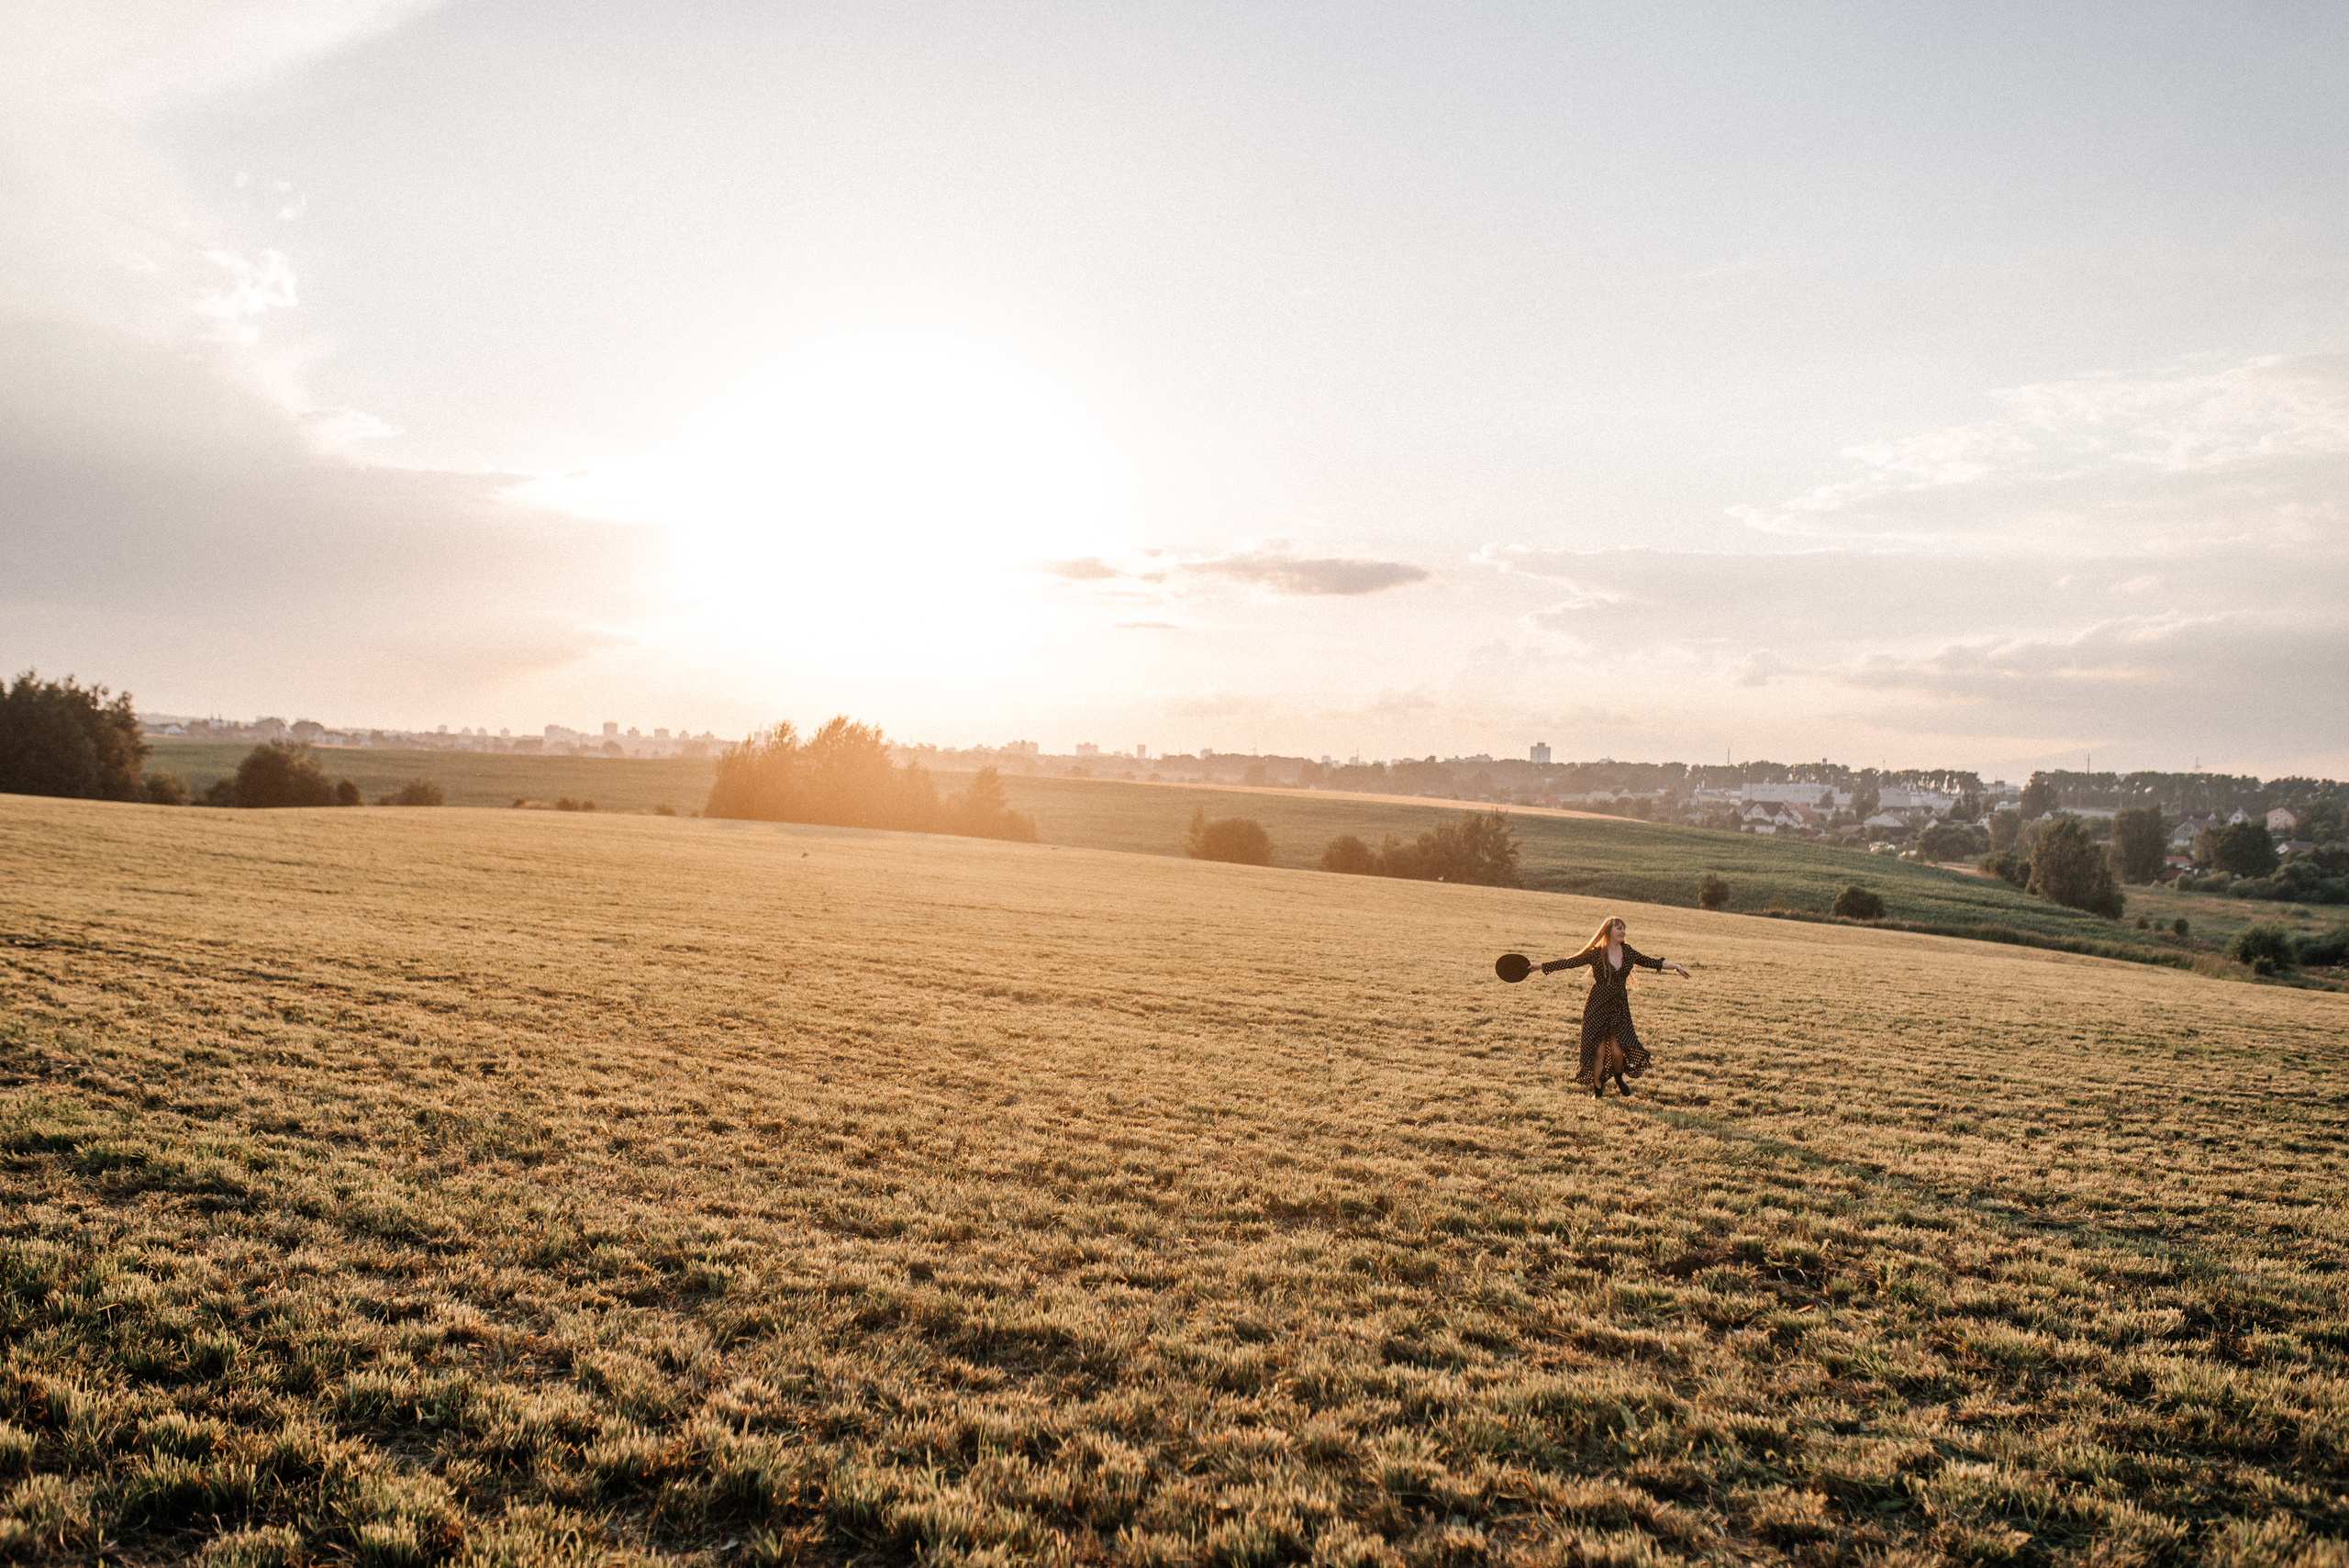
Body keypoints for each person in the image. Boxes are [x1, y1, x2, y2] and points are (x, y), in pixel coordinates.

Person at [1536, 916, 1689, 1098]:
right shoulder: (1596, 953)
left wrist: (1676, 967)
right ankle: (1598, 1092)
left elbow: (1652, 962)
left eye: (1624, 928)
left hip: (1619, 1008)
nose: (1623, 932)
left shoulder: (1629, 952)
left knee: (1617, 1052)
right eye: (1619, 928)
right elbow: (1570, 962)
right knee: (1599, 1052)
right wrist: (1541, 966)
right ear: (1608, 932)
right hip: (1597, 1007)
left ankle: (1618, 1078)